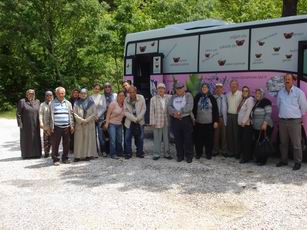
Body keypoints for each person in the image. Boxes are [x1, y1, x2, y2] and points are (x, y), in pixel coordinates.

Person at [276, 73, 307, 170]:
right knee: (283, 143)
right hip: (282, 121)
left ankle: (297, 162)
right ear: (284, 81)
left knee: (296, 143)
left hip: (294, 121)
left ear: (292, 80)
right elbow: (278, 105)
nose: (287, 80)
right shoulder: (280, 92)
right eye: (285, 79)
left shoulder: (299, 92)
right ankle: (284, 160)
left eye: (289, 79)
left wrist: (298, 117)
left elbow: (304, 107)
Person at [47, 87, 74, 166]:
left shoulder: (68, 103)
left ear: (64, 94)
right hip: (56, 127)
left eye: (62, 93)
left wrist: (72, 126)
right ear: (56, 94)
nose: (61, 95)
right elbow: (48, 116)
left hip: (67, 126)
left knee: (66, 143)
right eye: (59, 93)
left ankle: (65, 158)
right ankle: (55, 159)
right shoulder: (52, 103)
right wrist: (49, 127)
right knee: (55, 144)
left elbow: (71, 115)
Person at [168, 82, 194, 163]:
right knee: (178, 139)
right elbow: (169, 106)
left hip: (186, 119)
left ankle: (189, 156)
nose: (179, 90)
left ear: (184, 88)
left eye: (180, 88)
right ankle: (180, 156)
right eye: (177, 89)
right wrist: (174, 113)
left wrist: (179, 112)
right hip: (176, 120)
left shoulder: (188, 95)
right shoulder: (173, 97)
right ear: (175, 90)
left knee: (188, 138)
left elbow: (189, 107)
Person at [193, 83, 219, 160]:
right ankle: (198, 153)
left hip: (209, 123)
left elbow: (215, 110)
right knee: (198, 139)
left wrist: (216, 121)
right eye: (203, 87)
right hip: (199, 122)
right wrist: (193, 119)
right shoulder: (197, 97)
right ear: (201, 88)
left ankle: (208, 153)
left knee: (209, 140)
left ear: (208, 89)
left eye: (206, 87)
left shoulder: (212, 98)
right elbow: (194, 109)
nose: (204, 88)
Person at [149, 83, 172, 160]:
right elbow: (151, 112)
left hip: (166, 121)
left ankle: (167, 154)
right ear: (157, 90)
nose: (161, 90)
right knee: (157, 139)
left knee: (166, 139)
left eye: (162, 88)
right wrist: (152, 122)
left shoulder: (169, 98)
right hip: (157, 122)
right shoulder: (153, 99)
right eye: (159, 88)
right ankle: (156, 154)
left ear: (165, 90)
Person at [73, 88, 98, 161]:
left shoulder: (91, 103)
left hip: (89, 123)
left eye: (85, 93)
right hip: (80, 124)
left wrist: (87, 120)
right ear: (79, 94)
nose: (83, 95)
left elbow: (94, 113)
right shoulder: (76, 103)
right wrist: (82, 120)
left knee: (89, 139)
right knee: (79, 140)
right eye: (82, 93)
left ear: (87, 94)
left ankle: (88, 155)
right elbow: (74, 114)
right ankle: (78, 156)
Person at [16, 89, 42, 159]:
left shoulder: (37, 101)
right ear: (26, 94)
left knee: (36, 138)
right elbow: (18, 114)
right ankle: (26, 154)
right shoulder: (22, 101)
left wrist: (41, 122)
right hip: (26, 125)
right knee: (26, 139)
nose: (31, 95)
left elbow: (40, 113)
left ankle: (37, 154)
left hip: (36, 124)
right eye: (29, 93)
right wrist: (20, 124)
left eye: (32, 93)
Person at [251, 88, 273, 166]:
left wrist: (265, 123)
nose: (257, 94)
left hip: (265, 126)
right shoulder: (256, 102)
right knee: (259, 143)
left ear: (263, 94)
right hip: (257, 127)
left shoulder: (266, 101)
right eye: (256, 93)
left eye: (259, 93)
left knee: (263, 144)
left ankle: (263, 160)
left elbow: (268, 113)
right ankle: (259, 158)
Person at [124, 86, 146, 159]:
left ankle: (139, 153)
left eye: (133, 92)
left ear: (136, 92)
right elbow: (125, 111)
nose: (131, 94)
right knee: (127, 138)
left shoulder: (141, 98)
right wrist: (134, 119)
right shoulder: (126, 99)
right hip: (129, 121)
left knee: (140, 138)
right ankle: (128, 153)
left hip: (140, 121)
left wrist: (138, 118)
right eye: (130, 92)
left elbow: (144, 109)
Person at [104, 91, 126, 159]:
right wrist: (107, 123)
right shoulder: (113, 103)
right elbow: (107, 114)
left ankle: (119, 152)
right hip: (112, 124)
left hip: (119, 124)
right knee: (113, 140)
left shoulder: (125, 104)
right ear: (117, 96)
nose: (121, 97)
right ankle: (113, 154)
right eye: (120, 95)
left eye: (123, 95)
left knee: (119, 140)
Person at [237, 86, 255, 163]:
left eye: (246, 91)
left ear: (249, 92)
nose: (245, 92)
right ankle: (248, 156)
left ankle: (245, 158)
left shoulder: (250, 99)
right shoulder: (243, 99)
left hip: (246, 125)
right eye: (243, 91)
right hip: (241, 125)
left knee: (246, 142)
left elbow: (248, 112)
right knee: (243, 141)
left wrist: (244, 122)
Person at [226, 80, 242, 158]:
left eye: (235, 84)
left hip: (237, 116)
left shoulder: (241, 94)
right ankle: (230, 151)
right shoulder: (227, 94)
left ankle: (237, 152)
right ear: (230, 86)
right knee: (229, 135)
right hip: (229, 116)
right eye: (232, 84)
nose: (233, 86)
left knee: (236, 135)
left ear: (238, 85)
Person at [101, 82, 117, 156]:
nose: (107, 88)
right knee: (105, 135)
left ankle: (113, 150)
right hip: (104, 117)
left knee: (113, 135)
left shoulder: (115, 95)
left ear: (111, 88)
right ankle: (105, 150)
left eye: (109, 86)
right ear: (104, 89)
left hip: (114, 117)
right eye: (106, 87)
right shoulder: (101, 97)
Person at [90, 83, 106, 156]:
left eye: (98, 89)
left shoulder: (102, 97)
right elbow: (89, 109)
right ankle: (95, 151)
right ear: (93, 88)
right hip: (92, 118)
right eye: (96, 88)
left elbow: (104, 108)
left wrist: (98, 116)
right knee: (93, 136)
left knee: (101, 135)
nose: (97, 90)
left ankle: (103, 151)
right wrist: (94, 116)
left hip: (100, 118)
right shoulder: (90, 98)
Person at [213, 83, 228, 157]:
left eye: (220, 88)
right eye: (217, 88)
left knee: (224, 135)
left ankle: (224, 151)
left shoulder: (225, 97)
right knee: (216, 135)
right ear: (215, 89)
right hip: (216, 119)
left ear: (223, 89)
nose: (219, 89)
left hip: (224, 118)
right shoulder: (213, 97)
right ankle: (215, 150)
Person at [39, 91, 53, 158]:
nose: (49, 97)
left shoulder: (54, 103)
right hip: (46, 125)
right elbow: (40, 114)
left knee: (54, 140)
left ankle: (54, 152)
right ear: (45, 96)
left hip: (53, 125)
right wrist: (41, 122)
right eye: (47, 95)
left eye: (50, 95)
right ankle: (46, 152)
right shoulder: (42, 104)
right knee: (46, 140)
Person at [69, 88, 79, 153]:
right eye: (74, 92)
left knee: (78, 134)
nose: (75, 94)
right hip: (72, 118)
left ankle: (78, 147)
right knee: (71, 134)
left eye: (77, 93)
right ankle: (71, 148)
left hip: (79, 119)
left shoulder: (81, 100)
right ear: (72, 93)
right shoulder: (69, 101)